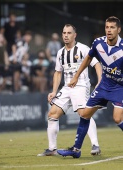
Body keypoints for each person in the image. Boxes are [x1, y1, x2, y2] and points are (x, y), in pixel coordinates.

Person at [57, 16, 123, 158]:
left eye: (112, 27)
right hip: (104, 85)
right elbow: (88, 58)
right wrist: (76, 76)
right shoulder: (98, 43)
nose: (109, 30)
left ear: (119, 30)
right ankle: (75, 150)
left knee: (117, 118)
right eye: (107, 27)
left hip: (119, 88)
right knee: (85, 114)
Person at [37, 24, 102, 157]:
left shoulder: (83, 49)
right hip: (66, 87)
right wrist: (54, 91)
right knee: (52, 114)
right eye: (64, 33)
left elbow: (96, 64)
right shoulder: (60, 52)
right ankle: (52, 149)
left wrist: (100, 82)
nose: (66, 35)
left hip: (81, 86)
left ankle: (95, 145)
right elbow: (57, 72)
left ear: (74, 35)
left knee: (84, 114)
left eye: (69, 33)